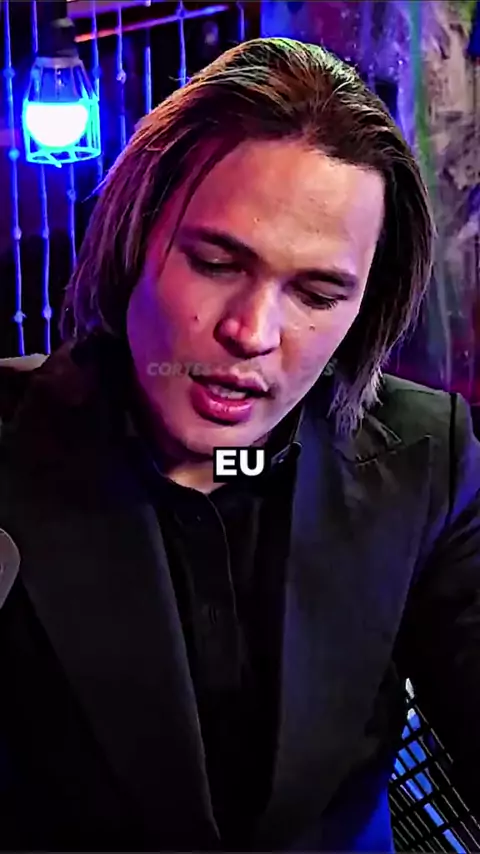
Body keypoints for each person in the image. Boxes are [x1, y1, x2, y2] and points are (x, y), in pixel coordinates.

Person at [0, 36, 479, 853]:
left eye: (317, 293)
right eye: (217, 262)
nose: (252, 333)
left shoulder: (424, 457)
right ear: (136, 237)